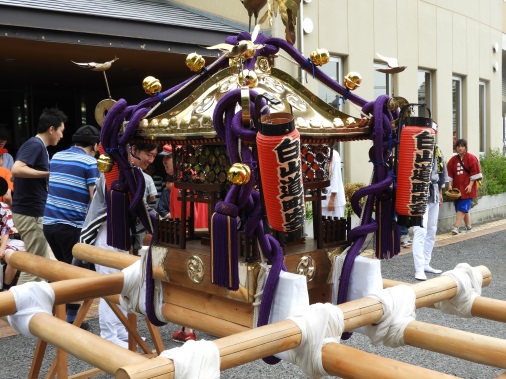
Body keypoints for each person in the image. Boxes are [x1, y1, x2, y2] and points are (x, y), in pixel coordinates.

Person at [80, 141, 158, 348]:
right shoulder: (115, 171)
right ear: (134, 150)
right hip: (106, 235)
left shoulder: (133, 174)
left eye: (154, 156)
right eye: (148, 154)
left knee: (122, 285)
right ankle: (110, 337)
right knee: (110, 287)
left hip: (120, 236)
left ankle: (122, 333)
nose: (151, 160)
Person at [42, 124, 100, 326]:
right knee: (77, 275)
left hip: (48, 223)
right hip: (72, 225)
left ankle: (59, 314)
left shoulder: (56, 156)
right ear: (94, 144)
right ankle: (71, 320)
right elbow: (95, 199)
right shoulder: (91, 162)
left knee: (64, 270)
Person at [11, 107, 67, 285]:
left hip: (30, 212)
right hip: (30, 213)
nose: (61, 135)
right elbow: (16, 169)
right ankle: (14, 308)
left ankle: (34, 308)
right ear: (52, 129)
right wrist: (48, 174)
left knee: (48, 265)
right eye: (61, 131)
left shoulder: (38, 146)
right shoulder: (35, 145)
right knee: (37, 267)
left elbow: (14, 175)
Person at [158, 143, 197, 342]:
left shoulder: (179, 184)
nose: (164, 160)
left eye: (168, 157)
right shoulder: (195, 176)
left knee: (184, 282)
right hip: (200, 236)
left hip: (187, 238)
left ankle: (188, 330)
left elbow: (181, 217)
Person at [412, 123, 449, 280]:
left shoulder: (437, 149)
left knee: (432, 229)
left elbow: (442, 171)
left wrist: (440, 192)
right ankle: (418, 268)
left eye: (434, 131)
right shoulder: (416, 146)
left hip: (433, 191)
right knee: (420, 230)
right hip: (419, 192)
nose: (432, 133)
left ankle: (426, 262)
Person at [446, 138, 483, 235]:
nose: (460, 148)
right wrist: (450, 185)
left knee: (462, 207)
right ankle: (469, 227)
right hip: (457, 189)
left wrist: (470, 185)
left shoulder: (471, 158)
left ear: (466, 147)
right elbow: (449, 173)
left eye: (462, 146)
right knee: (462, 207)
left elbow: (475, 173)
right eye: (458, 146)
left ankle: (456, 227)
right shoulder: (453, 160)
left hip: (468, 189)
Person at [0, 177, 22, 291]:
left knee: (15, 258)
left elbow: (7, 229)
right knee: (14, 259)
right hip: (8, 242)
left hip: (15, 240)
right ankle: (5, 288)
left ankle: (6, 288)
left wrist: (2, 249)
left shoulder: (4, 208)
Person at [321, 148, 346, 218]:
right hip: (322, 198)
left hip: (335, 199)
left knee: (336, 225)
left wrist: (332, 199)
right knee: (323, 226)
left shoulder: (334, 155)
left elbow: (336, 177)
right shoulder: (316, 154)